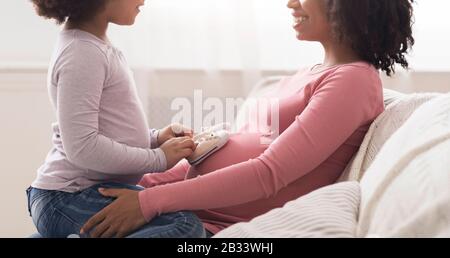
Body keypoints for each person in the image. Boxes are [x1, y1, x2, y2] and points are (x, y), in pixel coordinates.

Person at [81, 0, 415, 238]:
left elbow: (269, 173)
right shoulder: (305, 74)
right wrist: (144, 183)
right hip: (182, 203)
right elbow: (233, 149)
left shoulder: (353, 80)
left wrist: (148, 201)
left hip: (206, 224)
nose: (290, 4)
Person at [26, 0, 204, 238]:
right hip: (67, 196)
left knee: (177, 215)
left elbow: (109, 129)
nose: (143, 1)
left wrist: (155, 138)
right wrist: (158, 158)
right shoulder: (82, 53)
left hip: (79, 192)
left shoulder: (92, 46)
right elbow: (83, 147)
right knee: (184, 226)